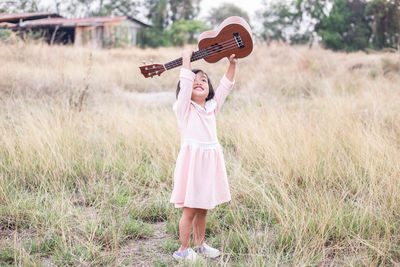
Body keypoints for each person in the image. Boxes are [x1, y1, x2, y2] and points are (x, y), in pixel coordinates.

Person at [170, 48, 238, 262]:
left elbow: (225, 87)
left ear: (209, 91)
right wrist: (186, 62)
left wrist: (232, 65)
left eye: (204, 81)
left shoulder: (211, 108)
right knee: (189, 210)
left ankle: (199, 245)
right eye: (195, 80)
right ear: (186, 88)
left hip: (209, 165)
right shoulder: (184, 109)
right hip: (192, 166)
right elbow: (186, 83)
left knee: (203, 209)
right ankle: (183, 249)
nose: (199, 82)